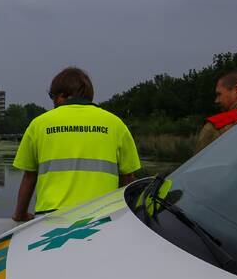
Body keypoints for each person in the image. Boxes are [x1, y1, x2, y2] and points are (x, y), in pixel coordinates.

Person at [12, 67, 141, 221]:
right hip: (103, 217)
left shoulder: (39, 124)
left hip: (50, 218)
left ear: (61, 96)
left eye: (52, 96)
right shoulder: (115, 124)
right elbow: (128, 178)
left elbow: (29, 177)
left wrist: (20, 215)